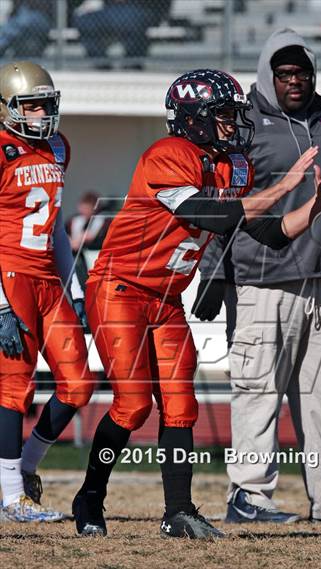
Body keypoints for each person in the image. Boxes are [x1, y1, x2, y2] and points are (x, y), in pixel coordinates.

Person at [71, 67, 321, 539]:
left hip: (165, 298)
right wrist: (284, 187)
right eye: (223, 115)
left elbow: (269, 233)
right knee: (133, 405)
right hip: (120, 289)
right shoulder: (166, 155)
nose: (233, 123)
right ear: (194, 118)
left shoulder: (232, 164)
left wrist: (314, 207)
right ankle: (90, 496)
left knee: (181, 403)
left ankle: (178, 511)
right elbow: (206, 212)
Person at [193, 30, 321, 525]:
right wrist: (215, 274)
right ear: (268, 74)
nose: (294, 82)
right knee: (259, 391)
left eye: (301, 72)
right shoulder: (242, 125)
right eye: (284, 74)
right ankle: (250, 497)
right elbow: (225, 203)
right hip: (262, 280)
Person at [0, 61, 95, 521]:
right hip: (10, 277)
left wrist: (74, 286)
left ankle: (28, 469)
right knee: (14, 387)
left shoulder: (58, 147)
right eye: (29, 105)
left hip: (48, 281)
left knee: (79, 383)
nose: (39, 115)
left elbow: (55, 225)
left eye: (45, 104)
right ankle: (10, 495)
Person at [73, 0, 171, 69]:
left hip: (142, 9)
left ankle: (132, 62)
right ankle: (101, 63)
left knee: (130, 23)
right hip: (111, 9)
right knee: (82, 20)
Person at [66, 191, 110, 288]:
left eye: (87, 208)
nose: (84, 210)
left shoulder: (103, 221)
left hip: (94, 258)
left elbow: (90, 237)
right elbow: (65, 235)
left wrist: (81, 239)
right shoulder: (73, 220)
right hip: (77, 260)